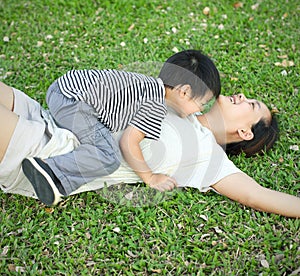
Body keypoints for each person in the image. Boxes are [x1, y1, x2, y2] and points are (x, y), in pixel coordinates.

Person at [0, 81, 299, 217]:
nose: (243, 96)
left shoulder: (210, 160)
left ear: (245, 132)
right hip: (53, 113)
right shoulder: (179, 98)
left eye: (252, 105)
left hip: (50, 154)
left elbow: (259, 195)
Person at [21, 50, 221, 206]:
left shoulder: (148, 85)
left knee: (102, 143)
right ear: (184, 92)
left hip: (64, 88)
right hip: (72, 101)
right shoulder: (156, 104)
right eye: (202, 103)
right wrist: (150, 177)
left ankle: (55, 178)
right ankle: (50, 170)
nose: (200, 110)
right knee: (108, 155)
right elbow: (128, 142)